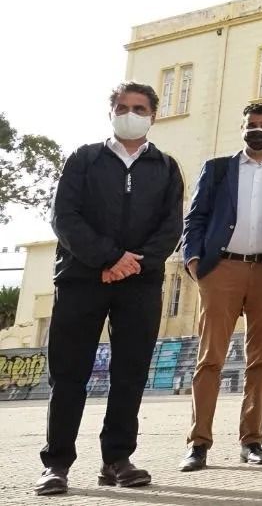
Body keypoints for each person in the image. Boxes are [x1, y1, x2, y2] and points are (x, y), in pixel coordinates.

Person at [37, 82, 184, 497]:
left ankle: (116, 459)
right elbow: (65, 218)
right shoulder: (83, 159)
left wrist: (130, 264)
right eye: (122, 106)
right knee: (69, 376)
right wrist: (106, 259)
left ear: (153, 115)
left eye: (139, 107)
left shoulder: (166, 167)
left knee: (129, 375)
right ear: (111, 112)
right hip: (82, 281)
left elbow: (171, 228)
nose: (130, 113)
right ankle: (57, 464)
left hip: (139, 284)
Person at [180, 103, 262, 472]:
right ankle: (198, 443)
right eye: (251, 124)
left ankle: (252, 441)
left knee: (261, 360)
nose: (258, 130)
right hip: (222, 270)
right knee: (210, 358)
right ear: (242, 127)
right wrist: (194, 261)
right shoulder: (217, 170)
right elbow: (195, 217)